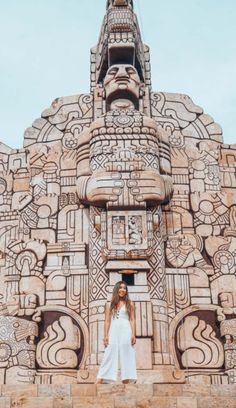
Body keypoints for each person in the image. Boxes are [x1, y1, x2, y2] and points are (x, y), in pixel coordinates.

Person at [96, 281, 137, 384]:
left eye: (124, 288)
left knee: (127, 353)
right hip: (114, 330)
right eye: (120, 288)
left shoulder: (130, 304)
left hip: (126, 329)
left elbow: (132, 319)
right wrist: (105, 335)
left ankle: (126, 380)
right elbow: (107, 321)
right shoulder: (110, 304)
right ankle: (102, 378)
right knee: (109, 352)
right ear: (116, 289)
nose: (122, 290)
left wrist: (133, 334)